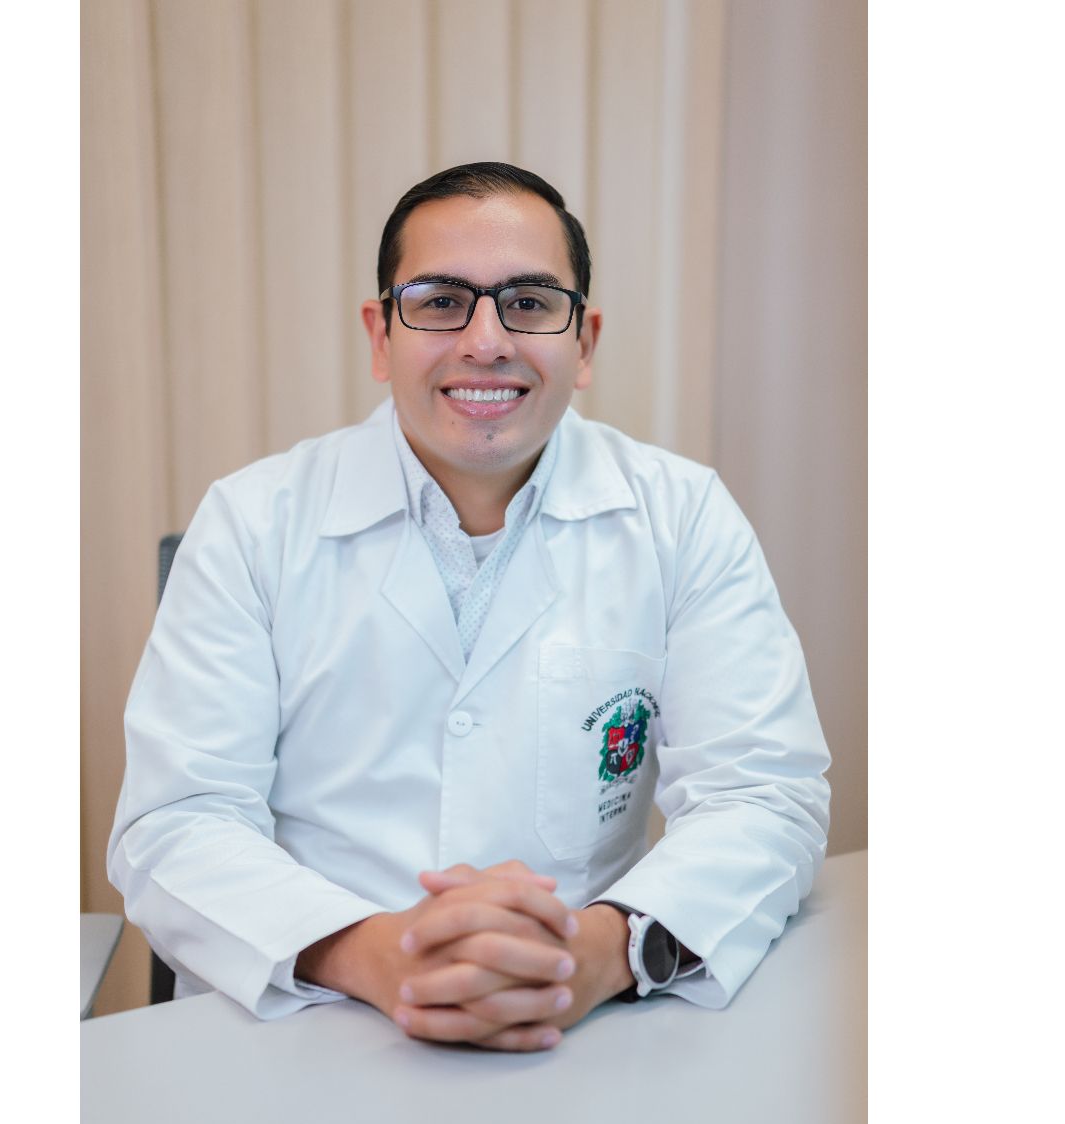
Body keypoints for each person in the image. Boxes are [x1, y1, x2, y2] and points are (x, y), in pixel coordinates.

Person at [108, 162, 831, 1053]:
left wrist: (599, 952)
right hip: (305, 1022)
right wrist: (377, 955)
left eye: (528, 303)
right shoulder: (252, 522)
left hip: (583, 1028)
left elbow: (763, 794)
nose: (485, 341)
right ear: (380, 336)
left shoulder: (681, 516)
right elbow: (177, 821)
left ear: (584, 341)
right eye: (441, 301)